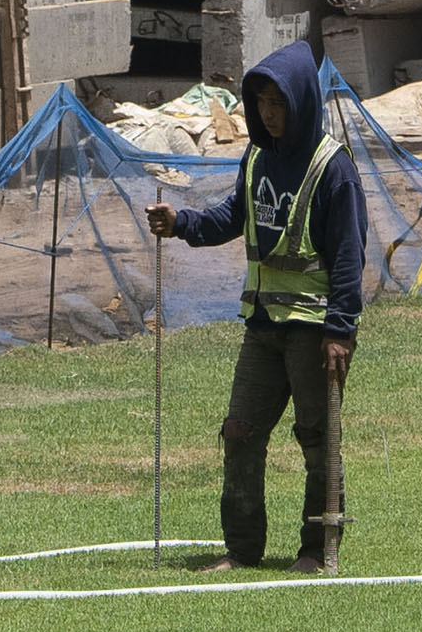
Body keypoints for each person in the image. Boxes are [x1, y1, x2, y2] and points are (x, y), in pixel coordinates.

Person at [147, 38, 364, 574]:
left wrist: (342, 329)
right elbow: (229, 218)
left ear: (302, 102)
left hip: (315, 330)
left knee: (318, 440)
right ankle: (243, 550)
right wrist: (181, 224)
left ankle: (317, 550)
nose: (268, 116)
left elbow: (349, 256)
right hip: (263, 327)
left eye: (278, 104)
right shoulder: (257, 156)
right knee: (239, 432)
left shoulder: (332, 168)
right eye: (260, 104)